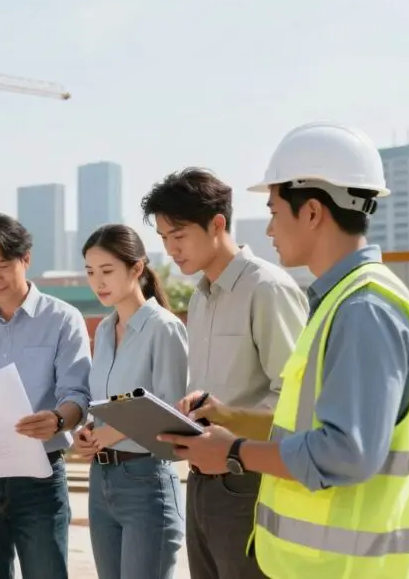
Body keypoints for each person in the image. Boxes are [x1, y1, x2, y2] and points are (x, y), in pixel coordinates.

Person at [158, 122, 409, 578]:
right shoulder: (341, 304)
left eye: (273, 209)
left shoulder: (364, 310)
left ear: (312, 212)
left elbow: (346, 452)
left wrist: (234, 452)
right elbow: (306, 424)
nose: (268, 228)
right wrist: (229, 418)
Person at [140, 168, 308, 579]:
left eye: (178, 236)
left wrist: (231, 426)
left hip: (249, 479)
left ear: (217, 224)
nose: (171, 249)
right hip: (200, 480)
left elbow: (297, 399)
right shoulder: (200, 298)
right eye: (163, 239)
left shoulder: (267, 288)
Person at [0, 213, 92, 579]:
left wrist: (57, 419)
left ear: (26, 259)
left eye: (3, 266)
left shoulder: (63, 319)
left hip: (38, 474)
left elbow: (78, 394)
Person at [71, 224, 188, 579]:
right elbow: (105, 402)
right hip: (101, 482)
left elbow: (173, 414)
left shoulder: (164, 328)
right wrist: (89, 431)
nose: (98, 282)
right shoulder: (104, 331)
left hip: (147, 483)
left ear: (136, 268)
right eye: (91, 273)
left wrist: (112, 433)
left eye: (107, 271)